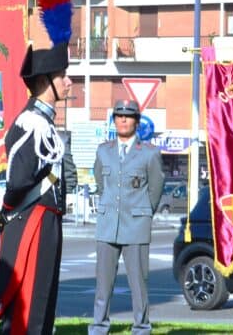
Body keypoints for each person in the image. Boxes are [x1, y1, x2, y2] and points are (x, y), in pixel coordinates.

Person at [0, 0, 75, 335]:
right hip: (32, 222)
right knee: (29, 311)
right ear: (45, 82)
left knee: (43, 308)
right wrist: (8, 206)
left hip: (45, 220)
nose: (68, 82)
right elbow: (20, 179)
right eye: (63, 76)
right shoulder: (31, 123)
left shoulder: (44, 122)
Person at [89, 99, 164, 335]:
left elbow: (156, 188)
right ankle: (99, 327)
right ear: (114, 120)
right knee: (103, 284)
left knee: (139, 284)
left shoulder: (150, 153)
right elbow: (101, 182)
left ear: (137, 121)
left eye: (128, 116)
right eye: (119, 116)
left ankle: (141, 327)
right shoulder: (103, 150)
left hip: (136, 225)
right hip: (107, 225)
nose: (123, 119)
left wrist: (144, 211)